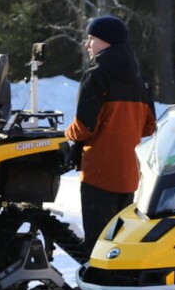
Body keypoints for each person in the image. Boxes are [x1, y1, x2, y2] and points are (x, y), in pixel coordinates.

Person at [66, 16, 156, 258]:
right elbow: (148, 127)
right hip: (128, 174)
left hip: (98, 174)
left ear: (106, 42)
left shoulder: (96, 75)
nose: (87, 45)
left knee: (96, 246)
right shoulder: (140, 80)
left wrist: (67, 134)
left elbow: (85, 127)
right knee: (119, 244)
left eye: (91, 39)